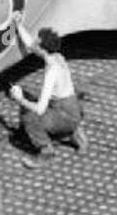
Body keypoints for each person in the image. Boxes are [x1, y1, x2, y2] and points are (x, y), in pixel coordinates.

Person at [5, 12, 85, 167]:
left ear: (43, 48)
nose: (34, 42)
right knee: (32, 103)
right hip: (72, 107)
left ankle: (46, 152)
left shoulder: (51, 72)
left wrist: (19, 98)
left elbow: (40, 108)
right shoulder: (57, 57)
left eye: (37, 41)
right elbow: (30, 45)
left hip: (64, 114)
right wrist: (18, 25)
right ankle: (75, 132)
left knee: (29, 116)